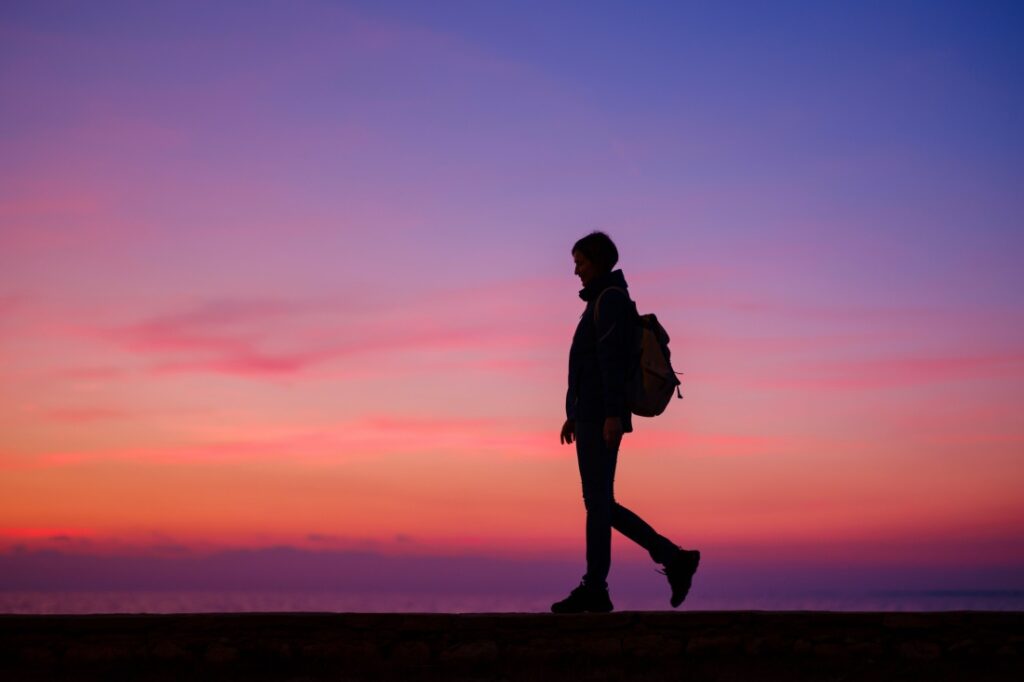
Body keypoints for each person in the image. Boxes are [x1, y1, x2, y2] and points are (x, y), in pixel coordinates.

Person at [551, 231, 700, 614]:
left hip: (603, 416)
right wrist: (573, 412)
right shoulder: (600, 300)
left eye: (580, 263)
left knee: (597, 502)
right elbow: (586, 365)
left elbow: (611, 364)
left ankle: (597, 588)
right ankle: (673, 559)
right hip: (590, 415)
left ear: (598, 262)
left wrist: (613, 416)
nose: (575, 271)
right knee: (601, 503)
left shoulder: (611, 301)